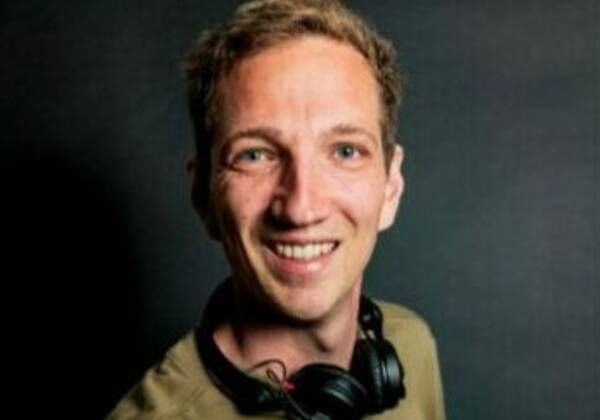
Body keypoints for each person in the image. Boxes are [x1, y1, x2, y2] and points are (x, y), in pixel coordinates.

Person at [108, 0, 445, 419]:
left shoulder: (411, 346)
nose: (302, 208)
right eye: (255, 155)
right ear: (202, 195)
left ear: (391, 187)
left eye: (345, 151)